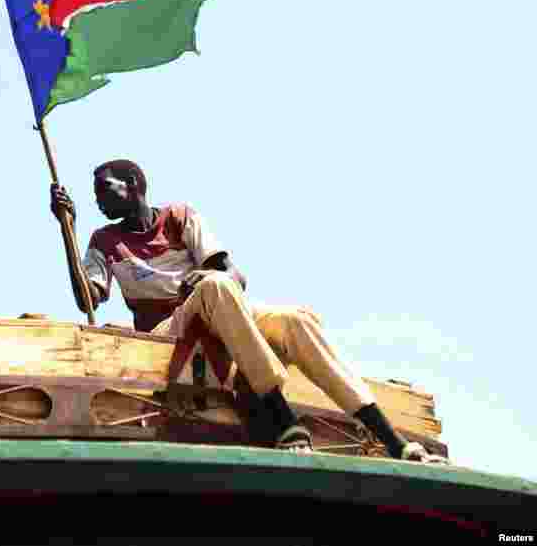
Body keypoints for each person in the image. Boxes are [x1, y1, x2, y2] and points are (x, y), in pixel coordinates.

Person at [51, 159, 445, 463]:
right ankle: (282, 418)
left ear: (132, 185)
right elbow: (88, 299)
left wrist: (204, 274)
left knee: (295, 320)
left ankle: (394, 441)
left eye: (104, 189)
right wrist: (66, 229)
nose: (98, 199)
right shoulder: (104, 240)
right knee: (213, 287)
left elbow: (233, 275)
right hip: (168, 333)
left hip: (221, 310)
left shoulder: (180, 216)